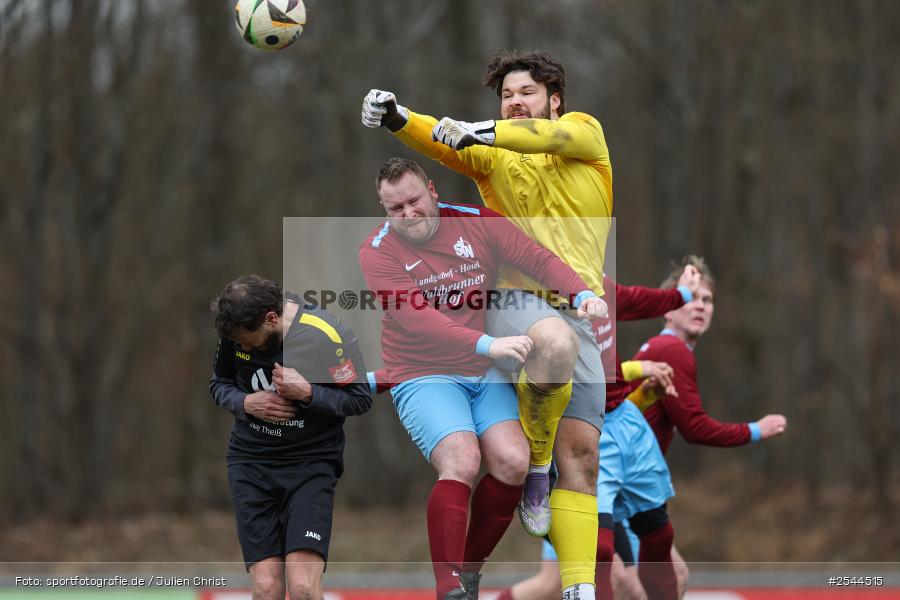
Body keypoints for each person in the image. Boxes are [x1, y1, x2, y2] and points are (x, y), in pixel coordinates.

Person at [362, 49, 613, 600]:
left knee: (582, 459)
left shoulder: (583, 133)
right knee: (549, 342)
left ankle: (578, 587)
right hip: (515, 304)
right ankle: (460, 574)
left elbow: (550, 140)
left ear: (555, 100)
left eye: (526, 93)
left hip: (581, 305)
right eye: (506, 96)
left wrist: (482, 129)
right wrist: (399, 118)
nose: (515, 102)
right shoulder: (488, 157)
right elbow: (437, 146)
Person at [496, 265, 700, 600]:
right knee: (610, 573)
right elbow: (696, 427)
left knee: (657, 570)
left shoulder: (603, 288)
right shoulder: (528, 297)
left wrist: (685, 295)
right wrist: (756, 430)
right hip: (570, 462)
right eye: (699, 300)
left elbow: (640, 302)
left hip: (609, 462)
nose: (703, 309)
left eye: (709, 299)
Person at [209, 275, 372, 600]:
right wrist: (245, 403)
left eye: (247, 340)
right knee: (267, 588)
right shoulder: (234, 332)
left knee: (301, 589)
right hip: (250, 465)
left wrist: (309, 392)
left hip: (310, 466)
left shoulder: (327, 335)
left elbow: (359, 398)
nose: (242, 347)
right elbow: (219, 384)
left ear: (271, 318)